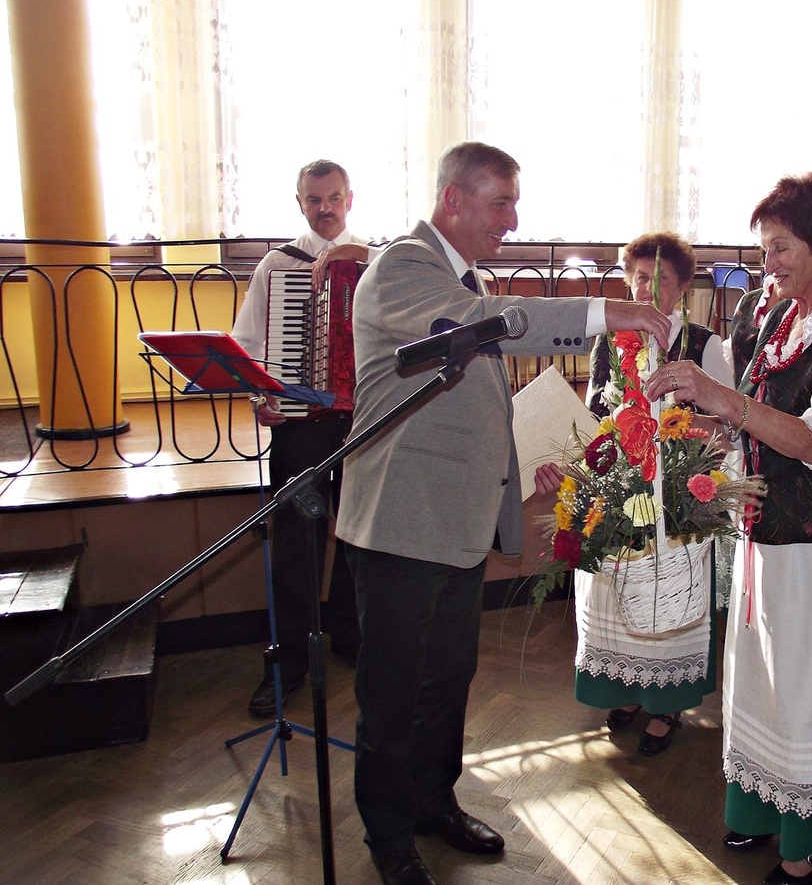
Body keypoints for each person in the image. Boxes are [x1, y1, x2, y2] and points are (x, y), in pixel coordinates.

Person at [334, 141, 671, 885]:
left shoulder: (465, 275)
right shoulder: (402, 267)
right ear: (453, 199)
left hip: (454, 523)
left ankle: (434, 804)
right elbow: (480, 322)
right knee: (392, 695)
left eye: (514, 204)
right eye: (501, 203)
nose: (512, 221)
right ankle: (390, 837)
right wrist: (608, 309)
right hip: (400, 522)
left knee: (446, 682)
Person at [643, 172, 812, 885]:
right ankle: (768, 806)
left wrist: (718, 395)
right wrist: (690, 426)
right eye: (765, 250)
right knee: (769, 681)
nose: (771, 263)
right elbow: (751, 422)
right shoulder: (779, 318)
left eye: (783, 247)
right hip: (769, 531)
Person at [572, 231, 735, 756]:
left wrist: (679, 433)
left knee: (670, 596)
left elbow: (728, 429)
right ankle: (627, 688)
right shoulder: (608, 341)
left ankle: (668, 704)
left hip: (680, 498)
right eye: (640, 277)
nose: (648, 289)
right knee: (621, 597)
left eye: (661, 279)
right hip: (622, 493)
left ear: (684, 288)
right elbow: (596, 416)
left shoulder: (705, 345)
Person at [231, 158, 380, 717]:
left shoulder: (379, 262)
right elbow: (248, 343)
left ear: (349, 198)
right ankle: (289, 661)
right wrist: (260, 396)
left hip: (365, 419)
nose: (325, 208)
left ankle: (350, 635)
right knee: (296, 540)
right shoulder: (278, 266)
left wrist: (365, 256)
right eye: (314, 199)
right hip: (300, 424)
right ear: (300, 204)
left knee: (361, 533)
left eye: (334, 197)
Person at [726, 273, 781, 384]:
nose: (769, 267)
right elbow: (731, 352)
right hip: (737, 392)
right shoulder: (748, 300)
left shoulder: (810, 318)